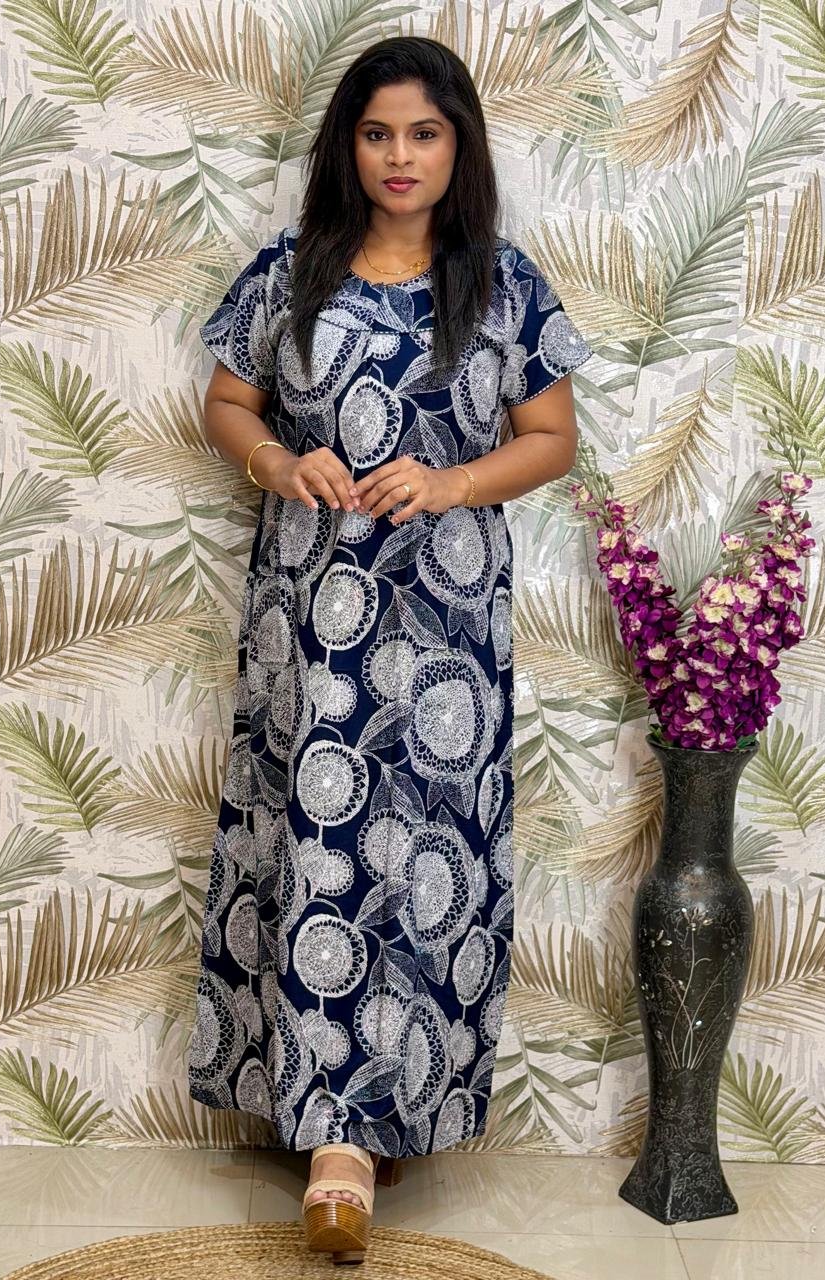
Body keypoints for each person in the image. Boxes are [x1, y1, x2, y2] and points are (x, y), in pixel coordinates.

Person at [188, 33, 592, 1266]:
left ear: (458, 145)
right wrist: (276, 459)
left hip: (445, 632)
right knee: (315, 846)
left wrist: (454, 479)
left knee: (424, 860)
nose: (399, 156)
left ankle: (390, 1108)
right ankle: (333, 1145)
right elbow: (226, 402)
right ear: (348, 147)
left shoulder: (503, 282)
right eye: (377, 134)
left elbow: (553, 438)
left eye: (423, 133)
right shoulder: (291, 269)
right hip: (309, 620)